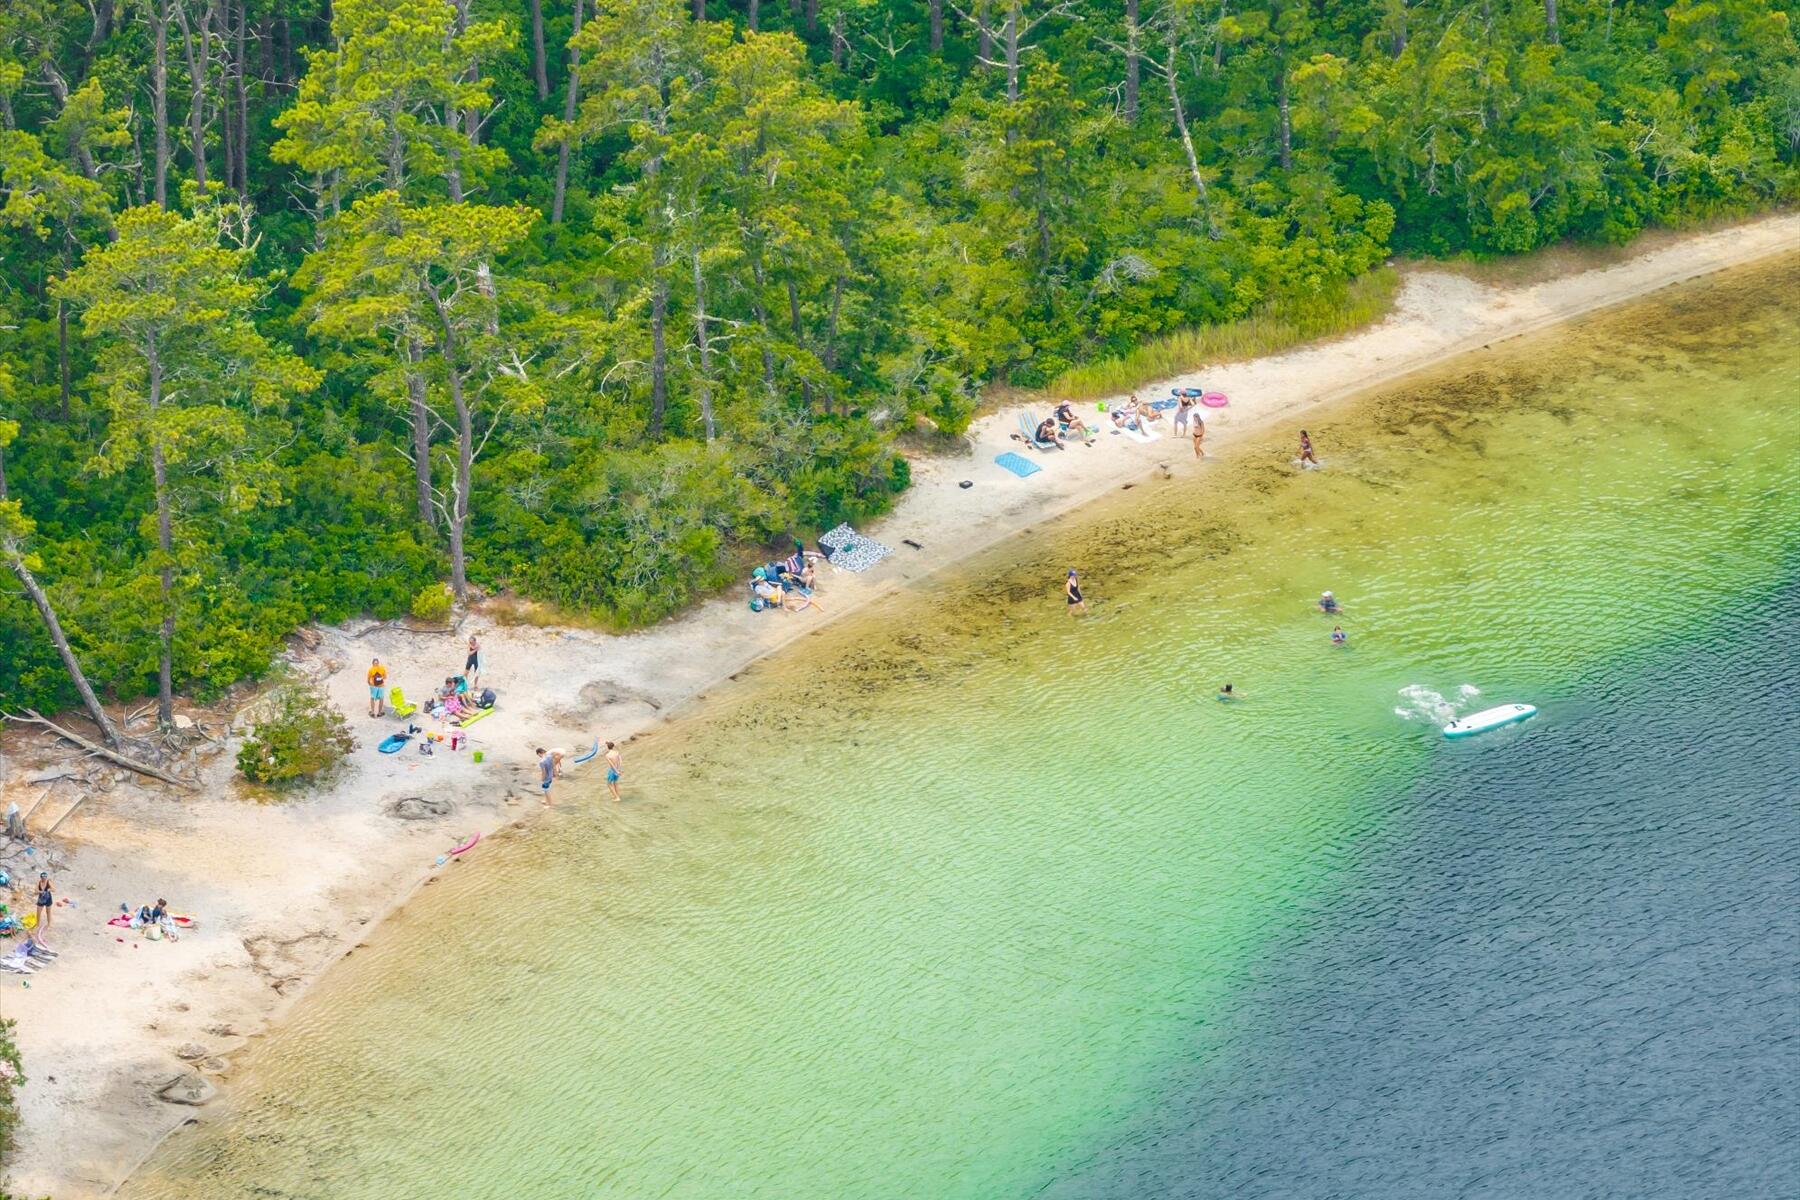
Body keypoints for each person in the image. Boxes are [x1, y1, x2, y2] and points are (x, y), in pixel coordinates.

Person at [33, 872, 51, 949]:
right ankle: (37, 924)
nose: (44, 879)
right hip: (41, 899)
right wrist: (41, 891)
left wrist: (49, 889)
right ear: (41, 878)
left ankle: (49, 924)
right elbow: (35, 891)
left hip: (48, 899)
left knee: (48, 912)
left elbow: (54, 889)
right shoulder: (38, 882)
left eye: (45, 877)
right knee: (38, 912)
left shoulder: (48, 882)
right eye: (43, 878)